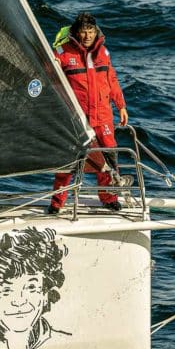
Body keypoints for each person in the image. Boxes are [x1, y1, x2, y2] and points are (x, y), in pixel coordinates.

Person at [49, 12, 128, 213]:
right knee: (68, 163)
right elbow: (48, 73)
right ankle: (57, 203)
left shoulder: (104, 53)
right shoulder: (63, 51)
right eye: (83, 31)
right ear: (77, 32)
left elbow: (112, 81)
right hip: (76, 118)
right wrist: (53, 65)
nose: (87, 35)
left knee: (110, 157)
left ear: (95, 32)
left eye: (90, 31)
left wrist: (121, 106)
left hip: (103, 117)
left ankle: (109, 198)